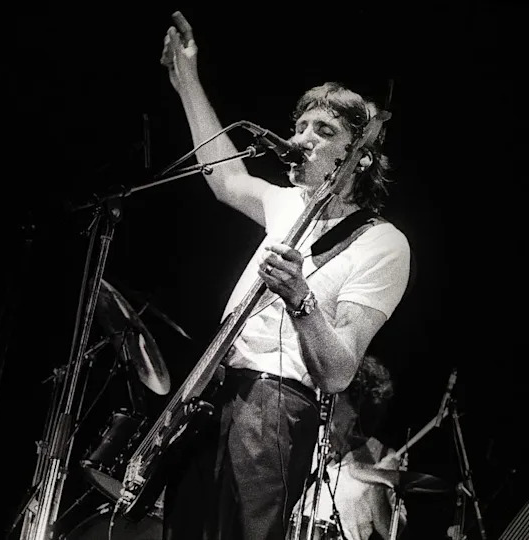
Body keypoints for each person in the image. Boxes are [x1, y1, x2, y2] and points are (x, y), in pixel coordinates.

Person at [157, 10, 412, 540]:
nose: (302, 138)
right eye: (299, 126)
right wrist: (187, 82)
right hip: (214, 391)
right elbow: (226, 177)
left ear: (358, 159)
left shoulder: (382, 243)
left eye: (324, 130)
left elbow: (340, 372)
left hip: (274, 405)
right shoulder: (287, 204)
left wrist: (301, 298)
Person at [292, 354, 408, 540]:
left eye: (336, 393)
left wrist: (377, 482)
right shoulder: (309, 438)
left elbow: (391, 532)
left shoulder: (382, 456)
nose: (324, 397)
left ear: (357, 405)